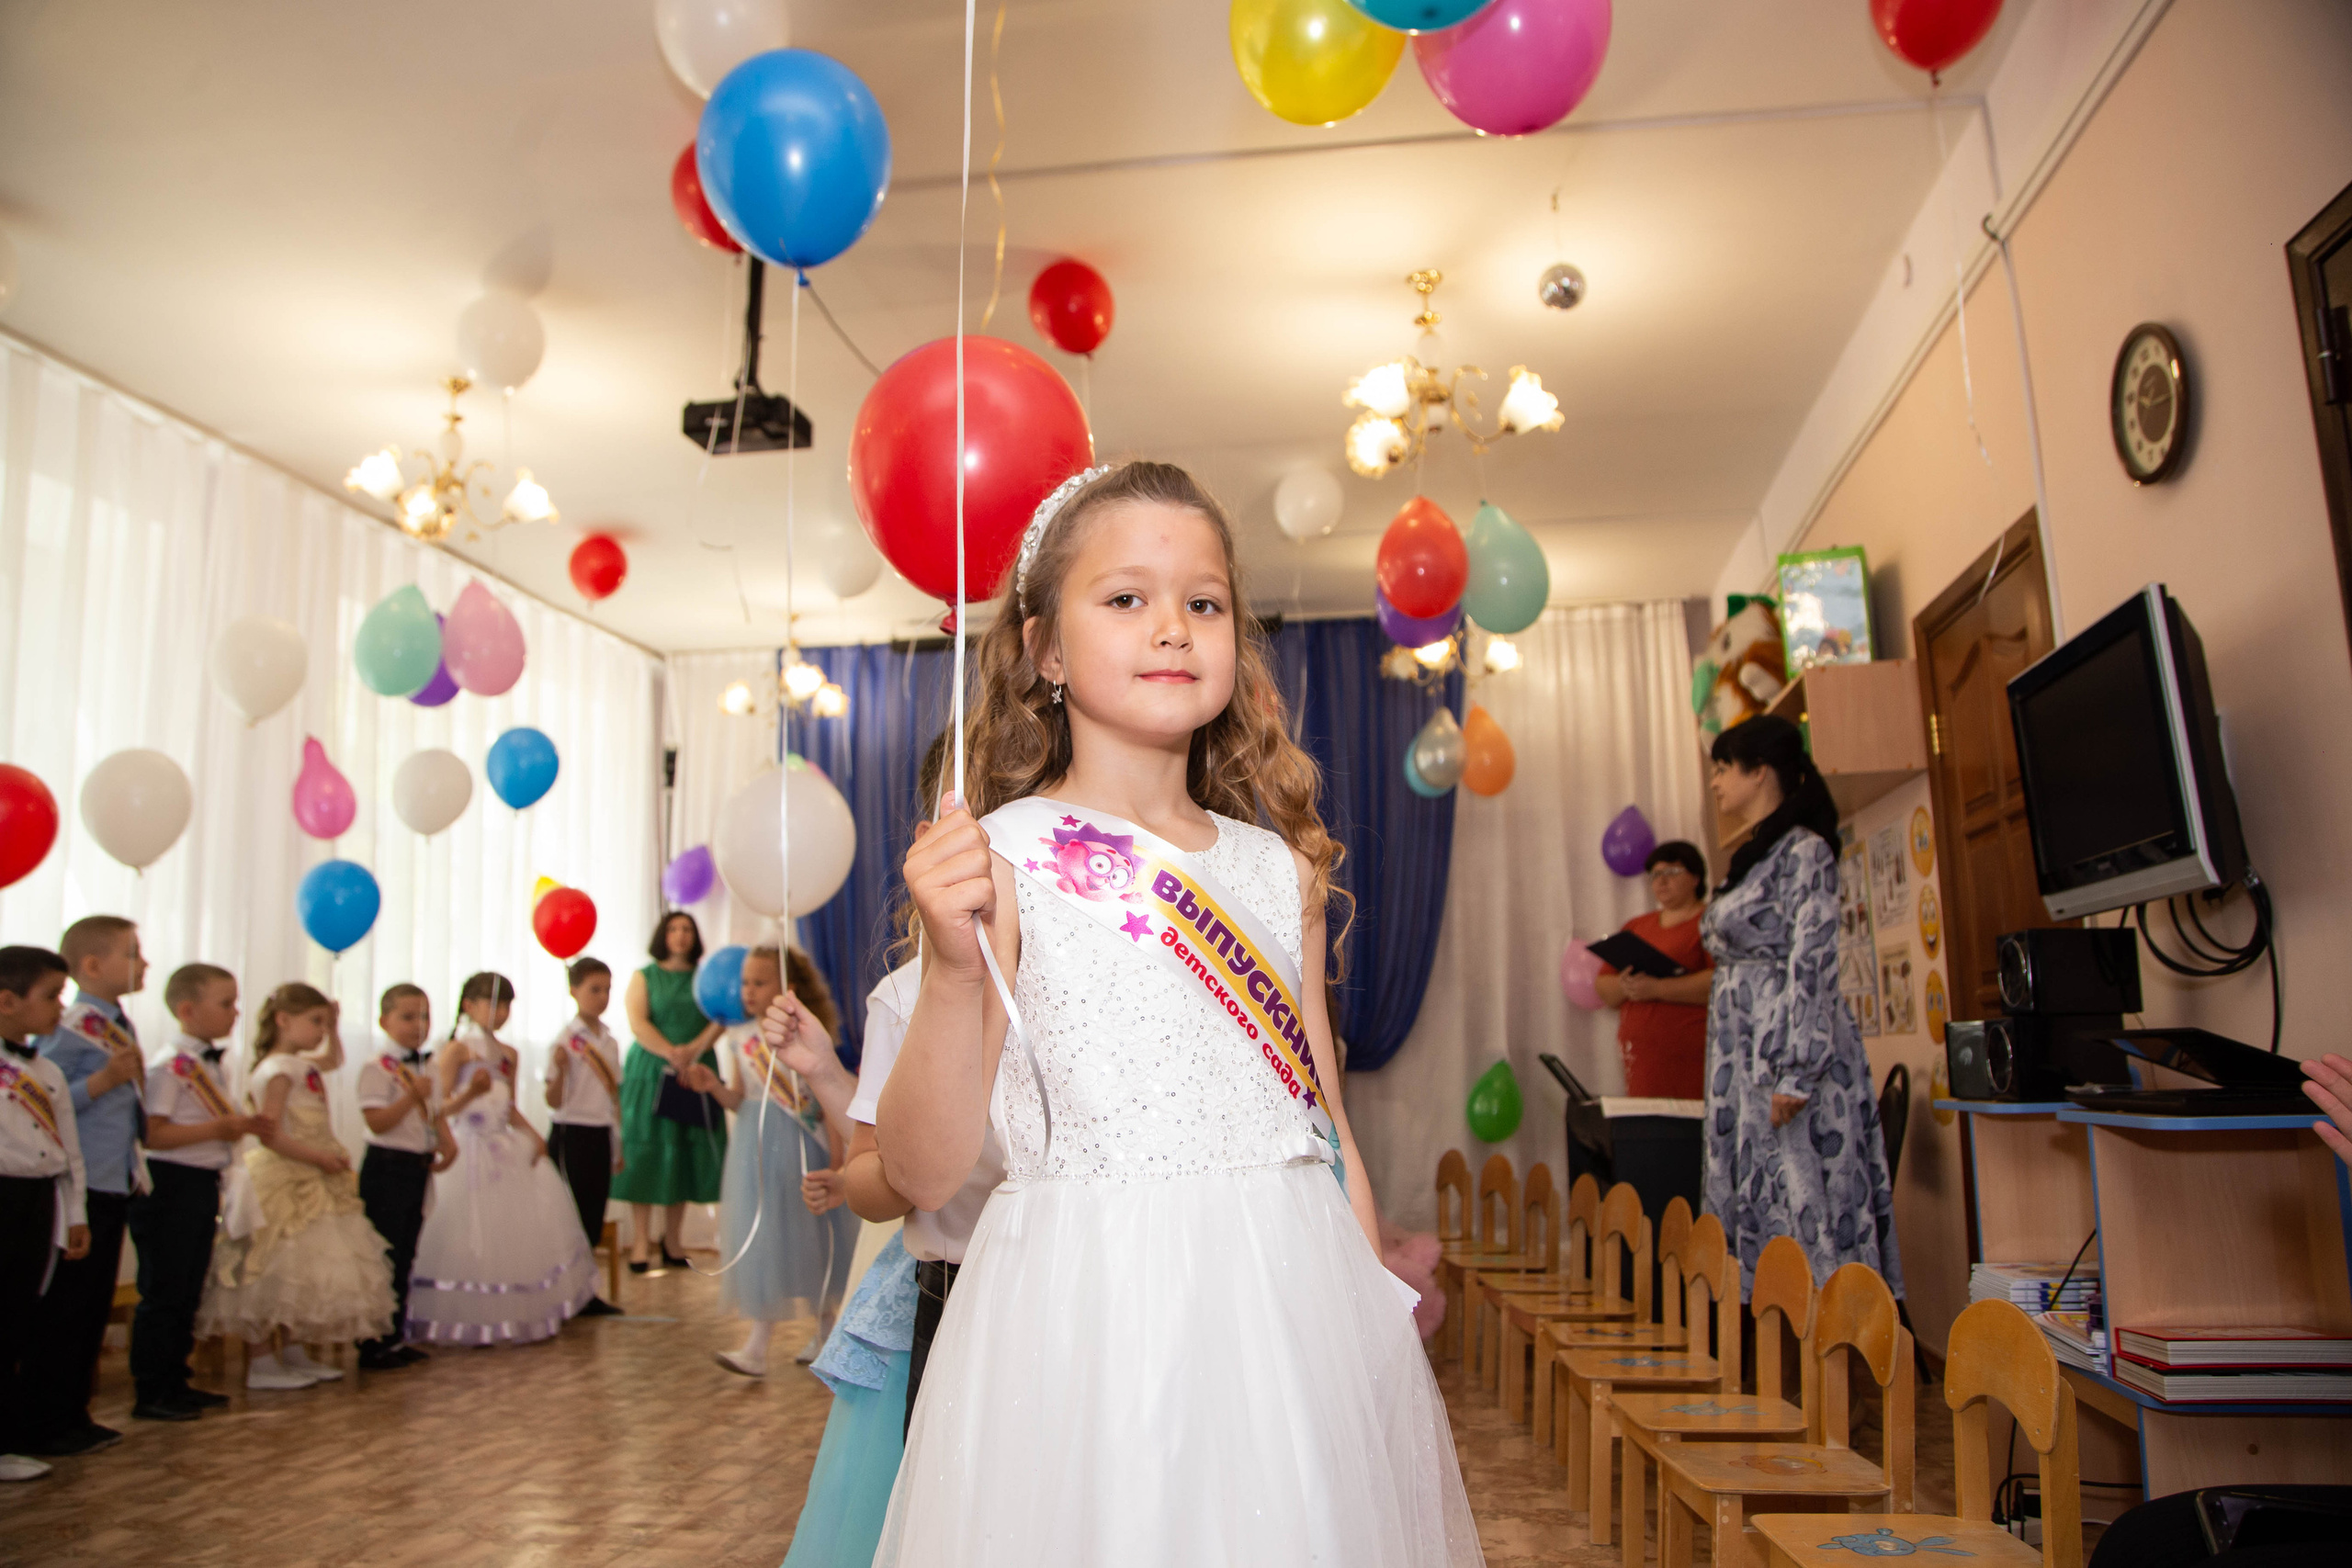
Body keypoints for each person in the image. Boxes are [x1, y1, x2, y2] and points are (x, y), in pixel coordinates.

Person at [876, 461, 1483, 1565]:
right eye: (1124, 599)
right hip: (1087, 1312)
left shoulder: (1275, 867)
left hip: (1280, 1305)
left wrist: (1365, 1326)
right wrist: (956, 971)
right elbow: (920, 1173)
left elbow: (1323, 1124)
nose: (1171, 627)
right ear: (1043, 649)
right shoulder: (1001, 858)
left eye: (1202, 603)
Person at [1702, 714, 1902, 1296]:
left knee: (1807, 1200)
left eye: (1723, 768)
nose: (1715, 783)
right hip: (1744, 1059)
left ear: (1761, 772)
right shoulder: (1755, 855)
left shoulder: (1806, 852)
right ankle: (1777, 1356)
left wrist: (1797, 1069)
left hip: (1788, 1058)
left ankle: (1836, 1368)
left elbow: (1813, 961)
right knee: (1761, 1208)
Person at [195, 982, 396, 1389]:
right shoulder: (277, 1070)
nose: (321, 1030)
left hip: (313, 1170)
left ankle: (291, 1350)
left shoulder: (298, 1064)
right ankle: (262, 1361)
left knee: (303, 1271)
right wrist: (319, 1157)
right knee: (273, 1263)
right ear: (284, 1021)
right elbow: (270, 1133)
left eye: (324, 1021)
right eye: (315, 1021)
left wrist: (336, 1024)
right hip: (287, 1173)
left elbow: (333, 1058)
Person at [692, 946, 858, 1376]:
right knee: (764, 1233)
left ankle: (825, 1331)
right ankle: (758, 1345)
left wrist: (838, 1158)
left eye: (759, 981)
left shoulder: (805, 1034)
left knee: (814, 1235)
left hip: (804, 1143)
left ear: (787, 987)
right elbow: (738, 1096)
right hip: (756, 1144)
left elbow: (824, 1100)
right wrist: (712, 1086)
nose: (748, 990)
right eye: (745, 982)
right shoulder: (738, 1038)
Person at [406, 973, 594, 1346]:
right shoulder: (457, 1050)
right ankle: (461, 1314)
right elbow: (438, 1106)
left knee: (510, 1231)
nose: (500, 1012)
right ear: (469, 1006)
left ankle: (509, 1313)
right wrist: (467, 1095)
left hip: (501, 1146)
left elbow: (507, 1106)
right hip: (466, 1147)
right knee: (466, 1229)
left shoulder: (509, 1054)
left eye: (506, 1004)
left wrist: (532, 1133)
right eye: (492, 1003)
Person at [24, 915, 149, 1455]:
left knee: (92, 1307)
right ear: (94, 965)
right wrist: (102, 1081)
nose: (143, 963)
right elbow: (37, 1098)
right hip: (82, 1182)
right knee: (67, 1308)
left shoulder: (116, 1022)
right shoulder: (71, 1025)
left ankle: (74, 1412)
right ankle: (47, 1418)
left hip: (114, 1177)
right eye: (133, 953)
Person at [130, 964, 272, 1419]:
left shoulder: (206, 1064)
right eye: (225, 1003)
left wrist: (238, 1127)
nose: (235, 1012)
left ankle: (176, 1379)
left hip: (201, 1181)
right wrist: (221, 1127)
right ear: (188, 1010)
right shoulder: (171, 1066)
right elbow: (153, 1134)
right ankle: (153, 1389)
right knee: (166, 1288)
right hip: (170, 1183)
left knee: (190, 1287)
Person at [0, 946, 85, 1484]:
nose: (61, 1007)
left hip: (38, 1199)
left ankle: (8, 1441)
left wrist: (75, 1213)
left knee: (17, 1317)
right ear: (7, 1001)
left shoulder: (47, 1070)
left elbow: (69, 1149)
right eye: (52, 996)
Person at [613, 910, 724, 1271]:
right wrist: (671, 1052)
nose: (680, 935)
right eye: (674, 928)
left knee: (684, 1152)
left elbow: (719, 1016)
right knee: (646, 1151)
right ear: (663, 934)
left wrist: (693, 1050)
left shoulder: (706, 977)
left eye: (687, 929)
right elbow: (637, 1021)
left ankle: (673, 1240)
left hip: (695, 1071)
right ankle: (641, 1241)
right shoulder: (644, 977)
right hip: (651, 1070)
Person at [354, 983, 457, 1369]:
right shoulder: (376, 1066)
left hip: (416, 1163)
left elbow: (435, 1112)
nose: (419, 1025)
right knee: (384, 1253)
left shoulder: (428, 1064)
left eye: (425, 1016)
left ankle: (396, 1334)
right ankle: (373, 1341)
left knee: (407, 1253)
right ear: (384, 1021)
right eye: (408, 1017)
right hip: (386, 1165)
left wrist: (447, 1143)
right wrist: (411, 1096)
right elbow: (377, 1122)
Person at [1592, 840, 1717, 1099]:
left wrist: (1657, 988)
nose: (1661, 882)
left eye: (1671, 873)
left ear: (1695, 877)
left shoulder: (1711, 921)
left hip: (1694, 1060)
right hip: (1642, 1061)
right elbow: (1604, 987)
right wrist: (1626, 985)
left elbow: (1721, 982)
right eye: (1656, 875)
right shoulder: (1636, 926)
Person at [545, 957, 625, 1318]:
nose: (602, 996)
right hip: (570, 1132)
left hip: (599, 1134)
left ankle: (586, 1293)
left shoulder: (609, 1040)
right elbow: (552, 1098)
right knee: (569, 1216)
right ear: (574, 991)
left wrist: (616, 1145)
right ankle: (562, 1292)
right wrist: (560, 1071)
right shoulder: (565, 1041)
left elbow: (613, 1098)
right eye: (594, 989)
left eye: (607, 989)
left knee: (593, 1215)